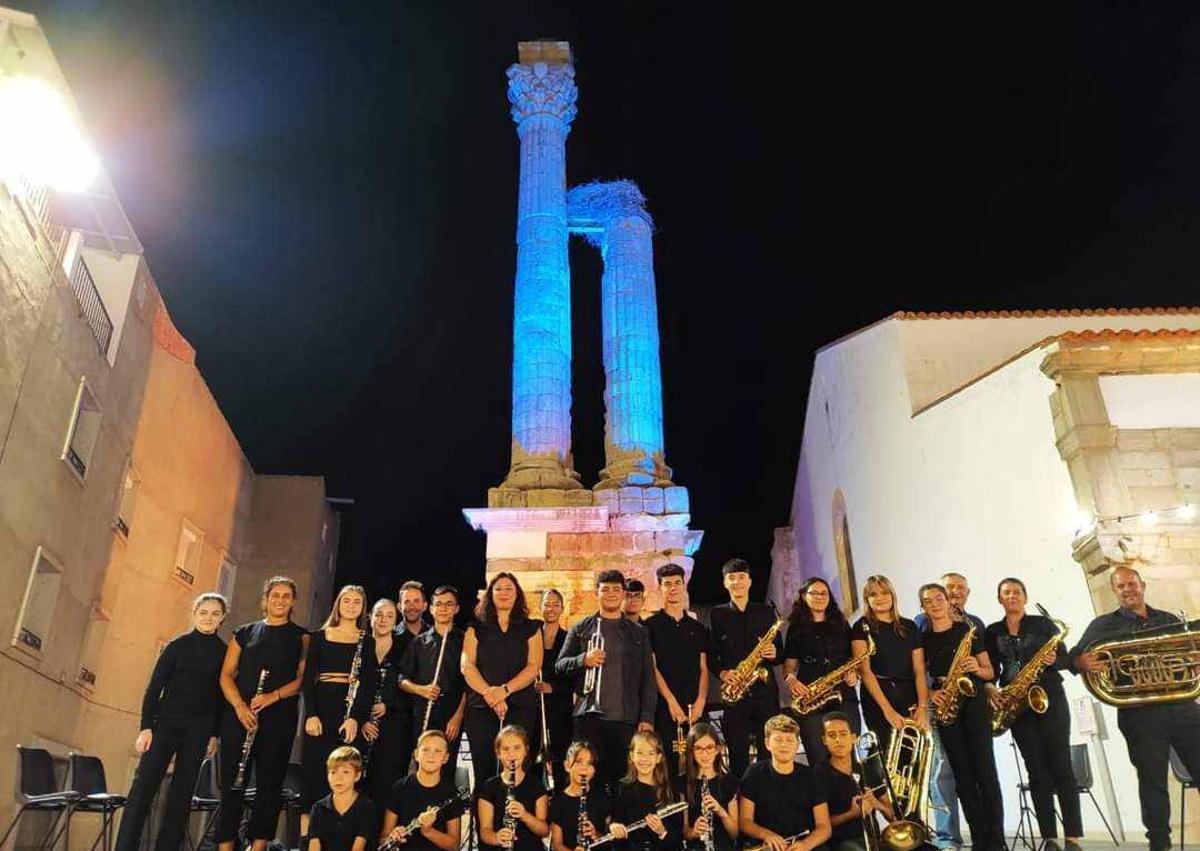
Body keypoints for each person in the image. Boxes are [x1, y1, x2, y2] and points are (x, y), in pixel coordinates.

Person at [1070, 566, 1200, 851]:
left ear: (1142, 585)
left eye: (1132, 584)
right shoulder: (1103, 625)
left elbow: (1189, 654)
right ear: (1115, 591)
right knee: (1152, 781)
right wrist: (1081, 662)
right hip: (1141, 715)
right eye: (1121, 586)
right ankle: (1159, 843)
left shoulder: (1167, 620)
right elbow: (1073, 655)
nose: (1128, 589)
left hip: (1182, 708)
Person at [114, 593, 227, 851]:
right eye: (203, 612)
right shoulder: (177, 646)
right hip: (165, 725)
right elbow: (154, 689)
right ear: (194, 614)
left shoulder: (224, 653)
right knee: (143, 788)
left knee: (182, 795)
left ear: (222, 618)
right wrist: (146, 728)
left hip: (199, 730)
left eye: (214, 614)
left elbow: (220, 699)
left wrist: (214, 734)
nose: (208, 618)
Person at [984, 578, 1081, 851]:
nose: (1012, 596)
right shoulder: (993, 631)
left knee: (1062, 765)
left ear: (1025, 597)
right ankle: (1049, 837)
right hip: (1016, 701)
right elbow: (990, 669)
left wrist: (1054, 660)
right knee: (1036, 770)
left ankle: (1073, 837)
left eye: (1017, 592)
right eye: (1006, 593)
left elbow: (1066, 660)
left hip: (1049, 695)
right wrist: (990, 688)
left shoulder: (1043, 624)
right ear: (1000, 599)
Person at [216, 576, 309, 851]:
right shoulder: (244, 633)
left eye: (286, 596)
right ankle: (225, 845)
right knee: (232, 784)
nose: (280, 600)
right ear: (265, 599)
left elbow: (303, 679)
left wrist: (273, 696)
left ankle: (258, 846)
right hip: (241, 717)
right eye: (274, 595)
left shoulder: (302, 636)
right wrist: (240, 707)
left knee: (270, 784)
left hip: (279, 717)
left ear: (293, 602)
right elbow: (226, 675)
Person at [556, 569, 657, 792]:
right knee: (589, 782)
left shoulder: (638, 632)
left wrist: (647, 717)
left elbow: (648, 678)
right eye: (605, 589)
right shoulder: (581, 628)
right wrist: (583, 659)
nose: (611, 593)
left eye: (616, 589)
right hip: (588, 718)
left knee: (623, 781)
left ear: (622, 594)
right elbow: (560, 665)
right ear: (596, 593)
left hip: (626, 719)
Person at [918, 583, 1003, 851]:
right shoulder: (922, 639)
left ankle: (996, 841)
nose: (935, 603)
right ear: (923, 607)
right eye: (928, 601)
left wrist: (976, 667)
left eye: (939, 598)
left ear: (947, 601)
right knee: (963, 777)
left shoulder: (968, 631)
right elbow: (918, 676)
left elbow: (989, 672)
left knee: (986, 772)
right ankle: (979, 839)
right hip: (947, 704)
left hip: (974, 700)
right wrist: (931, 693)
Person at [301, 586, 377, 839]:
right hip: (321, 712)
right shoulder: (320, 636)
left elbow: (368, 684)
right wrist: (311, 714)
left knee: (346, 775)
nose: (351, 606)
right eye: (347, 601)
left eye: (357, 602)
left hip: (350, 714)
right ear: (338, 604)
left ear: (362, 608)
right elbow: (308, 680)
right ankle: (308, 841)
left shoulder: (367, 641)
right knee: (314, 775)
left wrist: (355, 718)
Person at [462, 573, 544, 781]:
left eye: (509, 588)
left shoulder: (532, 627)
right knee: (484, 769)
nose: (503, 593)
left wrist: (504, 691)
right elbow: (467, 666)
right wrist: (491, 694)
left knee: (517, 769)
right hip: (482, 708)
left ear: (517, 594)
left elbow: (533, 667)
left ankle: (515, 804)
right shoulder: (475, 627)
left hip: (520, 707)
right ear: (490, 594)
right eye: (498, 588)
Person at [708, 558, 782, 779]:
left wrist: (774, 652)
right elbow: (711, 652)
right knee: (737, 753)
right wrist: (722, 672)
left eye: (742, 577)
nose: (737, 582)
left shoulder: (766, 612)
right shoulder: (717, 614)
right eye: (732, 578)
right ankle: (741, 796)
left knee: (769, 750)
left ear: (750, 581)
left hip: (765, 692)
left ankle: (768, 795)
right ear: (725, 583)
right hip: (735, 693)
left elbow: (780, 651)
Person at [783, 577, 861, 765]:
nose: (819, 597)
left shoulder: (841, 623)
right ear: (804, 596)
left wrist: (854, 675)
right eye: (814, 593)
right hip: (811, 698)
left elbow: (854, 659)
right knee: (818, 757)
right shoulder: (796, 628)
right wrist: (791, 680)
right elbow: (789, 666)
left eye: (824, 593)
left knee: (848, 756)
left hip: (843, 695)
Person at [644, 563, 710, 785]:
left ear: (684, 585)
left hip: (695, 706)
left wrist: (701, 701)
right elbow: (652, 668)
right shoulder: (650, 626)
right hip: (666, 707)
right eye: (667, 584)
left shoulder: (698, 628)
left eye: (677, 583)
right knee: (668, 766)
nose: (673, 588)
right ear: (660, 588)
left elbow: (703, 668)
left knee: (700, 765)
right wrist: (670, 701)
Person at [852, 575, 929, 757]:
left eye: (885, 592)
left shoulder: (909, 626)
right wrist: (888, 711)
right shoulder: (861, 627)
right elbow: (865, 671)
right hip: (878, 699)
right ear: (867, 599)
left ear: (892, 595)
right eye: (873, 594)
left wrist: (922, 707)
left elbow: (919, 670)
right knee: (888, 754)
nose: (880, 597)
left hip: (909, 695)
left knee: (915, 756)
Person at [738, 714, 832, 851]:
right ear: (767, 743)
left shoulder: (811, 776)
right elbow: (745, 821)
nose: (784, 745)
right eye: (778, 739)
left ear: (797, 744)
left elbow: (824, 826)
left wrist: (806, 845)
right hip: (767, 846)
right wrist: (766, 835)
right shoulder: (754, 773)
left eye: (789, 740)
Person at [400, 585, 466, 777]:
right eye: (439, 604)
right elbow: (402, 679)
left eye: (449, 604)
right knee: (422, 764)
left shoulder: (465, 640)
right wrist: (420, 689)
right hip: (423, 711)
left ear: (456, 609)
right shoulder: (419, 642)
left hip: (451, 713)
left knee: (447, 767)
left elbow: (468, 684)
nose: (443, 608)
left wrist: (458, 716)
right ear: (430, 608)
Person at [815, 712, 894, 851]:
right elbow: (820, 826)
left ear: (853, 737)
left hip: (874, 840)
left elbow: (894, 817)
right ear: (824, 740)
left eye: (843, 734)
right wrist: (851, 814)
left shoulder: (867, 770)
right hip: (841, 844)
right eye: (832, 735)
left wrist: (878, 804)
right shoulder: (818, 775)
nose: (838, 740)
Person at [380, 730, 465, 851]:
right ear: (416, 754)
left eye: (438, 751)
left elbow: (454, 845)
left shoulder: (451, 792)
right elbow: (384, 837)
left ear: (446, 758)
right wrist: (392, 838)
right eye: (425, 750)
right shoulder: (400, 787)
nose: (431, 755)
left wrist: (428, 831)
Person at [361, 598, 408, 811]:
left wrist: (388, 706)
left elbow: (409, 689)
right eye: (379, 614)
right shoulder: (360, 646)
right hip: (361, 725)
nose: (383, 620)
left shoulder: (405, 648)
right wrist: (362, 719)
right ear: (370, 617)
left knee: (386, 782)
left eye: (390, 616)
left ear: (395, 621)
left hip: (392, 725)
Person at [476, 725, 550, 851]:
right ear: (498, 753)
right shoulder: (489, 787)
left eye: (517, 748)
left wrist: (524, 815)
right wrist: (496, 838)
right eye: (505, 749)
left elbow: (544, 830)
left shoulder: (536, 785)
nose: (511, 754)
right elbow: (485, 831)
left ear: (526, 750)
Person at [610, 730, 681, 851]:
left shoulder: (670, 789)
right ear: (632, 756)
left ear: (658, 758)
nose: (644, 759)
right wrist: (614, 827)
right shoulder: (623, 788)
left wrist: (662, 831)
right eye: (640, 753)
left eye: (650, 753)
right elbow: (616, 821)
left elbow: (677, 838)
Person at [537, 588, 575, 791]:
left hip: (560, 708)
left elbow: (575, 677)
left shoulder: (569, 639)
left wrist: (552, 688)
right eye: (546, 604)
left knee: (561, 758)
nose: (550, 608)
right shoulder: (532, 637)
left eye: (555, 604)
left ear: (562, 609)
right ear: (540, 607)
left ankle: (561, 798)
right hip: (535, 708)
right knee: (533, 760)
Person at [682, 722, 738, 851]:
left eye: (709, 747)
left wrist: (721, 811)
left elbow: (734, 833)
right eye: (698, 748)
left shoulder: (729, 782)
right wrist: (694, 832)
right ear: (691, 751)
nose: (704, 754)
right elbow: (685, 832)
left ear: (718, 749)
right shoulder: (683, 783)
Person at [307, 747, 376, 851]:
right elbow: (314, 846)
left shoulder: (367, 807)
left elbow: (358, 847)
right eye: (333, 772)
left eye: (345, 772)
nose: (338, 778)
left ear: (357, 775)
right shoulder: (319, 808)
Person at [548, 741, 610, 851]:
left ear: (594, 770)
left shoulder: (602, 797)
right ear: (567, 765)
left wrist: (595, 835)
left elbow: (610, 839)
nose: (584, 768)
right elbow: (557, 845)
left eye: (589, 763)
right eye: (579, 761)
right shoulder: (558, 801)